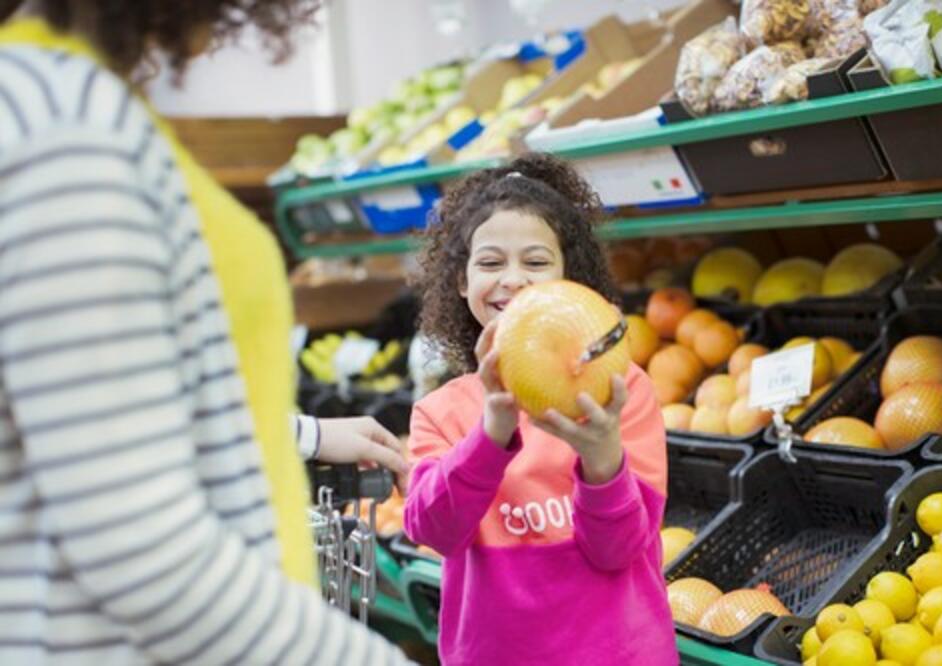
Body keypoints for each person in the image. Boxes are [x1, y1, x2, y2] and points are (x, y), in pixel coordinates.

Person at [0, 2, 411, 663]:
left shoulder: (55, 103)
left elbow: (103, 420)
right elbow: (143, 550)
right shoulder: (68, 133)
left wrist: (304, 434)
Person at [404, 152, 679, 665]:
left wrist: (602, 462)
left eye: (535, 262)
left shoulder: (618, 390)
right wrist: (491, 433)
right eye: (489, 263)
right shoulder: (441, 411)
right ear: (462, 282)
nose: (513, 280)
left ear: (569, 279)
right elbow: (433, 530)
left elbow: (618, 551)